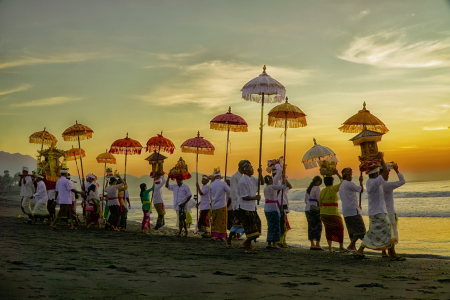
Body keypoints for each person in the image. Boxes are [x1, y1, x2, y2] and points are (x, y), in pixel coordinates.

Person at [356, 152, 397, 259]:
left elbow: (385, 176)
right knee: (388, 230)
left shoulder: (370, 182)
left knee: (373, 232)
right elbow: (385, 175)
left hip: (374, 212)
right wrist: (382, 159)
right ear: (375, 174)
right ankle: (392, 254)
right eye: (377, 173)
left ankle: (361, 250)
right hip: (378, 212)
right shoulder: (374, 182)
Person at [236, 160, 263, 254]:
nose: (252, 169)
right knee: (250, 229)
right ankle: (248, 248)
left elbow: (261, 182)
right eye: (250, 167)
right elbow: (244, 196)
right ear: (245, 170)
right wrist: (255, 198)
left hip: (251, 207)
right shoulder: (243, 181)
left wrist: (260, 173)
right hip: (244, 207)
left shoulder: (252, 178)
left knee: (257, 226)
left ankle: (246, 244)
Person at [381, 163, 405, 260]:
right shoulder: (387, 185)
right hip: (390, 211)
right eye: (387, 174)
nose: (388, 176)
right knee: (392, 233)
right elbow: (402, 181)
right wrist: (397, 170)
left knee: (384, 232)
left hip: (382, 212)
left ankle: (383, 252)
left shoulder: (377, 185)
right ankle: (392, 253)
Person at [319, 169, 347, 252]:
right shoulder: (333, 189)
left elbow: (320, 203)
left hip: (323, 213)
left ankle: (330, 248)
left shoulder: (322, 191)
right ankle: (341, 247)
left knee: (328, 229)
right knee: (340, 228)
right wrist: (338, 173)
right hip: (333, 213)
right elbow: (343, 182)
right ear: (332, 182)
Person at [339, 168, 365, 252]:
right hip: (353, 210)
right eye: (349, 174)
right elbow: (361, 190)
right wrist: (361, 181)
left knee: (352, 231)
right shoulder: (349, 184)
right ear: (345, 175)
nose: (351, 176)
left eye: (351, 174)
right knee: (361, 230)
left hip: (346, 211)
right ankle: (351, 246)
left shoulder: (341, 186)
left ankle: (353, 247)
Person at [263, 172, 285, 249]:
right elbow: (283, 186)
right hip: (273, 208)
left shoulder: (266, 188)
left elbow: (275, 194)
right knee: (275, 226)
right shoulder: (272, 187)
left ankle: (269, 242)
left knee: (270, 226)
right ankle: (274, 243)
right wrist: (284, 179)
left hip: (267, 209)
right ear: (270, 181)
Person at [209, 168, 231, 242]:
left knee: (214, 221)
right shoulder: (223, 184)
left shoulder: (211, 185)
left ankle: (214, 235)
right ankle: (220, 236)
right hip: (222, 205)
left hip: (214, 205)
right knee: (222, 221)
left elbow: (211, 196)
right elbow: (229, 191)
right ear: (220, 176)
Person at [226, 163, 244, 247]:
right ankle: (229, 239)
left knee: (244, 223)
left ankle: (247, 242)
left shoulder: (242, 177)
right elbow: (234, 193)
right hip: (238, 204)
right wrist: (236, 206)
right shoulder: (235, 177)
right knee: (236, 223)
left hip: (243, 204)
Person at [304, 176, 324, 250]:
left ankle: (312, 244)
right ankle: (317, 244)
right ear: (318, 181)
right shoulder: (317, 188)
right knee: (318, 226)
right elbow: (319, 198)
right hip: (315, 208)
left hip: (307, 209)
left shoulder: (308, 189)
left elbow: (306, 200)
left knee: (311, 226)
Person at [277, 174, 292, 248]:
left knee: (284, 224)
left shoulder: (282, 183)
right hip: (280, 204)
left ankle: (283, 241)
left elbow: (290, 186)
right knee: (281, 224)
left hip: (284, 204)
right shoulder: (277, 182)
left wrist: (284, 178)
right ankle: (280, 241)